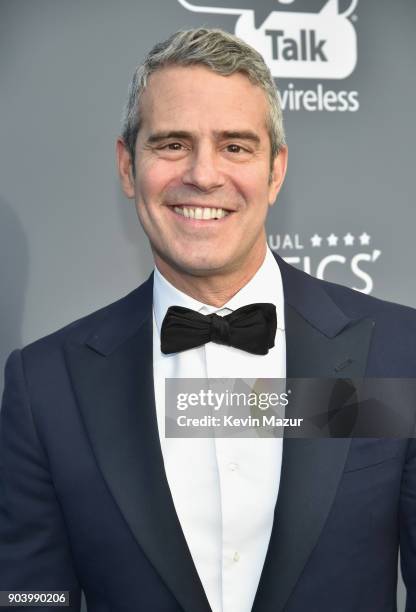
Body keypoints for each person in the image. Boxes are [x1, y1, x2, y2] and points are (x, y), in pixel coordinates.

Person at [0, 27, 415, 612]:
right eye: (171, 144)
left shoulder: (399, 355)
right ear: (127, 166)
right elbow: (29, 598)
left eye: (236, 146)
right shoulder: (46, 388)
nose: (203, 174)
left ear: (275, 170)